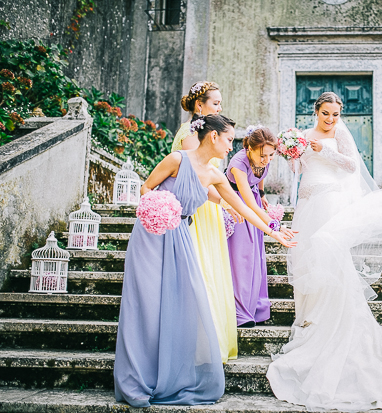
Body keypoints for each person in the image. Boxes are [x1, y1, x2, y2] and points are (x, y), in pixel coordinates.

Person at [114, 114, 296, 407]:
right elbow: (146, 188)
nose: (231, 145)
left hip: (181, 238)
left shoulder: (214, 175)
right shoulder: (175, 159)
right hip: (152, 236)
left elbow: (245, 207)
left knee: (181, 301)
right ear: (213, 137)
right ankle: (138, 374)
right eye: (228, 139)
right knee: (146, 303)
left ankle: (169, 375)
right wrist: (158, 208)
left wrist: (275, 230)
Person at [266, 92, 382, 411]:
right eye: (326, 114)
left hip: (329, 202)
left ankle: (333, 321)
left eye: (335, 114)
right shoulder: (305, 135)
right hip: (307, 203)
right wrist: (294, 153)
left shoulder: (339, 133)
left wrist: (324, 151)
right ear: (316, 111)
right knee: (308, 261)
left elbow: (351, 165)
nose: (330, 119)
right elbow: (298, 170)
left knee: (329, 261)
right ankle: (312, 321)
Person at [172, 81, 239, 363]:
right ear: (200, 106)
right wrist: (223, 201)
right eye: (215, 103)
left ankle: (212, 344)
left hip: (208, 209)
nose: (220, 108)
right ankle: (201, 347)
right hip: (197, 209)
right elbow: (196, 177)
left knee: (212, 270)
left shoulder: (203, 132)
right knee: (203, 272)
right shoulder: (191, 135)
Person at [226, 126, 296, 327]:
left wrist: (262, 194)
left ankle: (256, 308)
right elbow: (248, 203)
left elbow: (261, 174)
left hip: (255, 202)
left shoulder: (265, 157)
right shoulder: (238, 164)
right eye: (262, 155)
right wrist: (275, 226)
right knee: (242, 258)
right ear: (249, 148)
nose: (267, 160)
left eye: (271, 155)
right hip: (237, 206)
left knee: (256, 257)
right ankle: (240, 313)